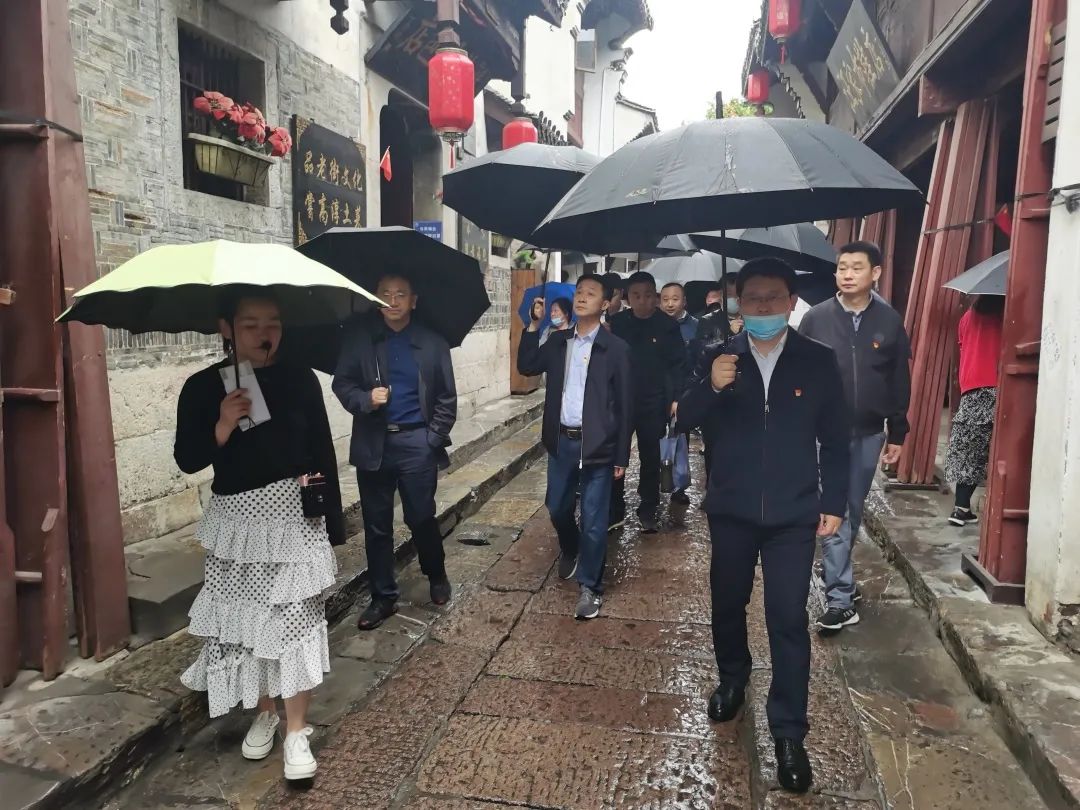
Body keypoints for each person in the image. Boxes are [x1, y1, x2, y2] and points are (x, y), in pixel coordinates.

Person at [678, 257, 850, 796]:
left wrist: (835, 501)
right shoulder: (719, 357)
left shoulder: (817, 360)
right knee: (727, 603)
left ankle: (789, 732)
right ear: (739, 303)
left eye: (773, 297)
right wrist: (711, 387)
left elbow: (837, 440)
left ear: (791, 302)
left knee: (787, 617)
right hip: (731, 508)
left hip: (793, 515)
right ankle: (733, 677)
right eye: (752, 298)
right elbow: (681, 419)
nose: (762, 307)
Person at [174, 290, 345, 783]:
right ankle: (265, 712)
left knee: (295, 620)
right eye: (250, 324)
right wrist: (223, 423)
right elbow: (188, 458)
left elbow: (320, 449)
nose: (264, 333)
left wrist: (331, 520)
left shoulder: (299, 378)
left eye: (273, 322)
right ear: (226, 328)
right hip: (236, 524)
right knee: (249, 625)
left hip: (293, 518)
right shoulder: (201, 387)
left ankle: (296, 731)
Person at [333, 273, 457, 630]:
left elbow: (447, 398)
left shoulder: (432, 343)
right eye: (385, 294)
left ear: (413, 301)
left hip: (416, 443)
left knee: (421, 516)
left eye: (401, 294)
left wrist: (432, 438)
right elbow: (342, 384)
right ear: (375, 299)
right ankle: (383, 597)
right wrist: (365, 399)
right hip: (374, 444)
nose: (393, 300)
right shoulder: (361, 341)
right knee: (377, 525)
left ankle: (436, 573)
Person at [798, 240, 911, 632]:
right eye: (842, 267)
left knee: (852, 507)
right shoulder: (816, 319)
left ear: (875, 273)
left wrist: (898, 430)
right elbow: (799, 375)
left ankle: (839, 573)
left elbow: (898, 379)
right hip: (823, 434)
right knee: (835, 511)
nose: (847, 274)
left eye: (856, 267)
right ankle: (840, 599)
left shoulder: (889, 320)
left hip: (868, 432)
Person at [517, 275, 633, 619]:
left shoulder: (616, 349)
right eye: (579, 292)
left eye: (590, 294)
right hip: (561, 442)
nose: (582, 298)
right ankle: (570, 546)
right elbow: (527, 366)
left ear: (605, 303)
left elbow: (625, 407)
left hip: (598, 445)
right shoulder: (559, 341)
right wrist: (533, 325)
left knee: (595, 520)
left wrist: (622, 455)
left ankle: (590, 587)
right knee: (556, 507)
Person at [609, 271, 687, 533]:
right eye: (636, 295)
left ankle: (648, 507)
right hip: (620, 400)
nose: (642, 301)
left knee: (651, 455)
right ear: (628, 298)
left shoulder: (668, 326)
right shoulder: (616, 324)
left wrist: (676, 398)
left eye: (647, 295)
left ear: (655, 297)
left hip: (654, 401)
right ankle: (615, 508)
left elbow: (678, 365)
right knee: (616, 455)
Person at [945, 294, 1004, 526]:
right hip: (998, 385)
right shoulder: (1005, 316)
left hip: (971, 387)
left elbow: (963, 346)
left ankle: (961, 508)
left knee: (968, 450)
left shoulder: (967, 318)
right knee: (999, 449)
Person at [660, 282, 698, 505]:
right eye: (665, 299)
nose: (670, 304)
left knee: (680, 437)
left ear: (684, 301)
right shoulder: (655, 325)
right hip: (659, 391)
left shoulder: (695, 326)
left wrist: (683, 394)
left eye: (675, 299)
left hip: (685, 389)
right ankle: (659, 480)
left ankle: (679, 485)